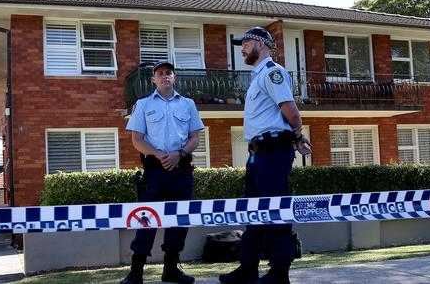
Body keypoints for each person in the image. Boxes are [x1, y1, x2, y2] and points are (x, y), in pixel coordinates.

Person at [220, 27, 312, 284]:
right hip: (258, 153)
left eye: (246, 43)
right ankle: (248, 268)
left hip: (273, 151)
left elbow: (290, 110)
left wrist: (297, 135)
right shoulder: (257, 76)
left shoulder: (273, 72)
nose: (242, 48)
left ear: (261, 44)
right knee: (254, 213)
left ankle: (279, 272)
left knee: (275, 212)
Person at [121, 60, 204, 284]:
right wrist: (159, 155)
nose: (165, 76)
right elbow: (137, 140)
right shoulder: (144, 104)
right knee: (147, 220)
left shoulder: (187, 104)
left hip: (181, 169)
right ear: (153, 79)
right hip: (155, 171)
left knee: (179, 221)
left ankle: (171, 270)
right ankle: (135, 273)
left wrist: (179, 154)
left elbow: (195, 137)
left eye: (169, 72)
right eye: (160, 73)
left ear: (174, 77)